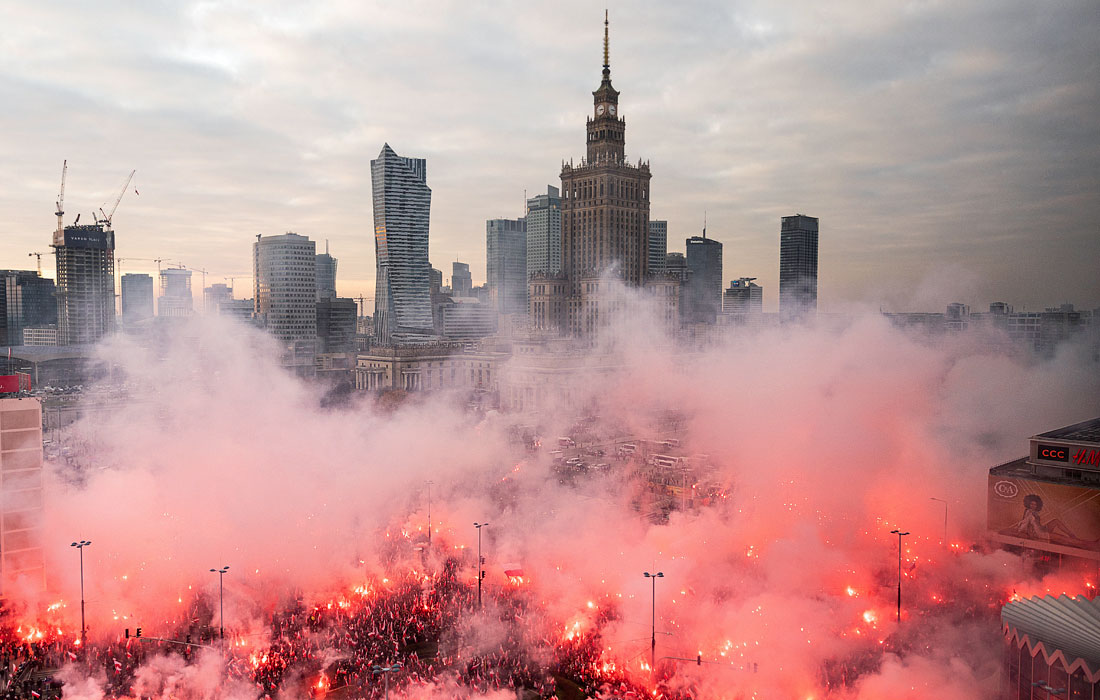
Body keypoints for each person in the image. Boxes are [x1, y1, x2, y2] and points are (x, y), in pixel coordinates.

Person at [1001, 494, 1100, 551]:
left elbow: (1031, 524)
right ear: (1028, 504)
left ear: (1037, 505)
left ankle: (1073, 535)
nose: (1033, 506)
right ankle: (1088, 544)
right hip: (1039, 534)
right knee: (1064, 539)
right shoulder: (1028, 512)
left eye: (1035, 504)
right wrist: (1024, 532)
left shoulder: (1032, 512)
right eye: (1031, 504)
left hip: (1041, 529)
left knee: (1055, 521)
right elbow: (1025, 524)